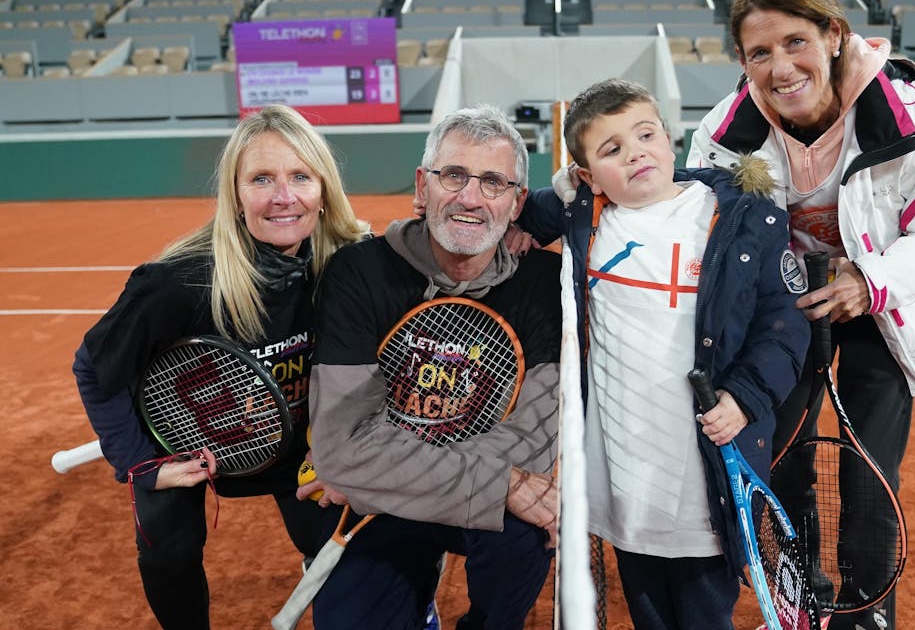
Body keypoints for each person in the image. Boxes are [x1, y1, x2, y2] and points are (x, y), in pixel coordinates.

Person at [684, 0, 915, 630]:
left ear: (835, 36)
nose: (781, 67)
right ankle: (799, 600)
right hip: (784, 311)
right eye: (759, 52)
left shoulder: (907, 114)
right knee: (781, 455)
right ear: (741, 60)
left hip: (885, 301)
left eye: (796, 42)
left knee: (869, 471)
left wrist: (867, 283)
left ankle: (865, 614)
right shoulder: (723, 133)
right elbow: (693, 226)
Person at [518, 79, 809, 630]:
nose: (634, 153)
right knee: (649, 607)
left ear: (670, 139)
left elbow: (784, 326)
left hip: (704, 472)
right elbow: (513, 214)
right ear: (585, 176)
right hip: (624, 475)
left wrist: (745, 397)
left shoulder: (745, 218)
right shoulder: (584, 217)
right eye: (611, 150)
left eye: (644, 134)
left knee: (703, 612)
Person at [71, 104, 370, 630]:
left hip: (297, 441)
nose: (284, 196)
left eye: (300, 176)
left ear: (324, 189)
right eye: (261, 179)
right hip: (183, 434)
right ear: (235, 194)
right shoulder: (177, 283)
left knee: (339, 544)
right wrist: (141, 462)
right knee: (171, 555)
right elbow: (94, 368)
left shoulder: (347, 266)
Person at [307, 104, 561, 630]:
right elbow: (345, 447)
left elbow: (535, 439)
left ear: (517, 204)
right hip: (386, 505)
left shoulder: (544, 283)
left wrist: (387, 472)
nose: (470, 197)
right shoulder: (359, 271)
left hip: (408, 484)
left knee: (523, 539)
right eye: (454, 176)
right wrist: (502, 484)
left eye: (493, 183)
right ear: (422, 188)